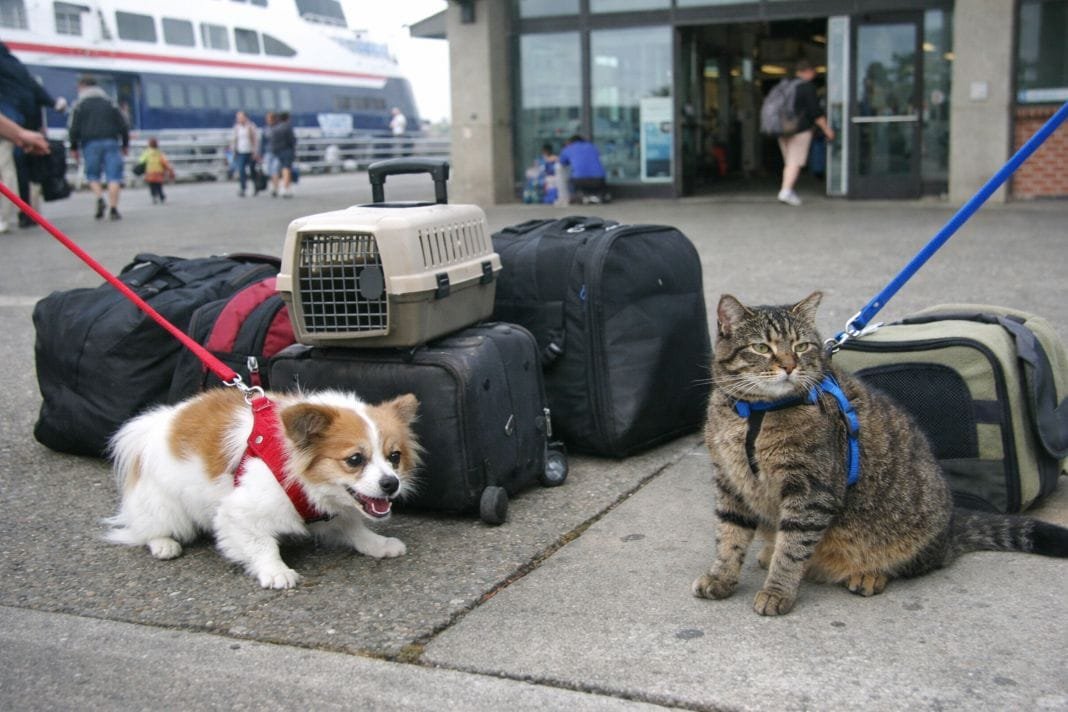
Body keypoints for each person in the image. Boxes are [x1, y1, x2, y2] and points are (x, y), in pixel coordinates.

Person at [0, 41, 66, 229]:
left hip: (6, 125)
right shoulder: (18, 66)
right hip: (24, 125)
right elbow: (37, 90)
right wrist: (54, 104)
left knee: (6, 171)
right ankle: (28, 212)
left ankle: (4, 217)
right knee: (24, 171)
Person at [775, 59, 835, 207]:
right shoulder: (807, 87)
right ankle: (786, 191)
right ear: (807, 71)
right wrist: (827, 129)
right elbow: (815, 111)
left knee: (789, 162)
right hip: (799, 129)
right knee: (794, 162)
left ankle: (787, 189)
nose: (814, 75)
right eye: (814, 72)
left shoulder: (784, 86)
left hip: (781, 128)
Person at [68, 75, 129, 221]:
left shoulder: (79, 104)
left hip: (90, 143)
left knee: (93, 175)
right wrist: (125, 144)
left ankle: (99, 197)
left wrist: (74, 147)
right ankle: (114, 208)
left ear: (82, 86)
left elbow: (73, 128)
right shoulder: (110, 103)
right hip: (111, 142)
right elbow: (123, 125)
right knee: (114, 176)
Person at [558, 134, 608, 204]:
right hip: (599, 179)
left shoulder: (568, 148)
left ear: (570, 142)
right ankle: (598, 196)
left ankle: (578, 197)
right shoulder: (592, 146)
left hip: (579, 181)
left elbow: (562, 162)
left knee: (569, 180)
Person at [230, 110, 259, 197]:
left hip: (250, 152)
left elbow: (255, 140)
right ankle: (243, 188)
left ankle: (255, 187)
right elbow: (234, 140)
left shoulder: (251, 126)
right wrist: (233, 150)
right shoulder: (236, 127)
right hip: (240, 152)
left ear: (245, 117)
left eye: (241, 117)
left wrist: (255, 152)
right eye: (238, 117)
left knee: (252, 170)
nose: (239, 119)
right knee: (241, 170)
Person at [138, 138, 175, 205]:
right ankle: (161, 196)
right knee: (159, 185)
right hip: (159, 172)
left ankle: (154, 196)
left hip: (150, 171)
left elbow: (141, 161)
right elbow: (164, 162)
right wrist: (169, 169)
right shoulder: (159, 153)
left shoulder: (147, 152)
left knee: (152, 185)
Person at [268, 111, 296, 198]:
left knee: (278, 170)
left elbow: (272, 141)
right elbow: (292, 141)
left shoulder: (276, 128)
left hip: (278, 152)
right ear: (287, 118)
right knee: (286, 169)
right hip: (287, 150)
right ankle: (285, 188)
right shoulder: (288, 127)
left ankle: (280, 187)